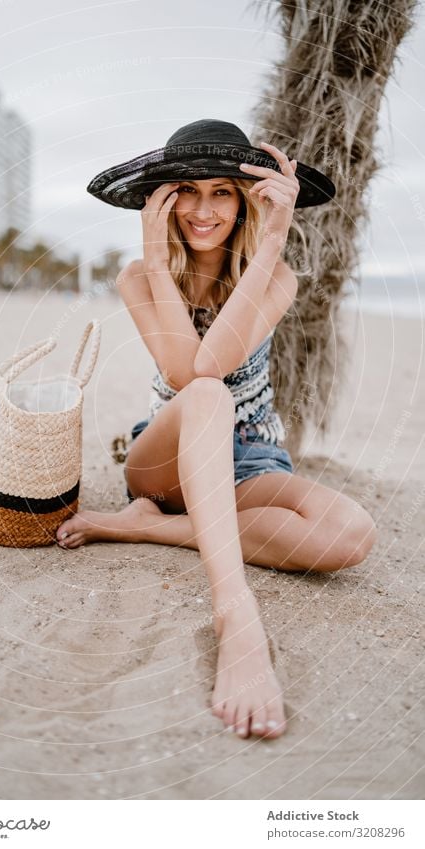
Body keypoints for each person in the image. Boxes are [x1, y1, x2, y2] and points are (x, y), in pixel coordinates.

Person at [56, 119, 377, 740]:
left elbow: (220, 356)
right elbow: (192, 372)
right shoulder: (136, 276)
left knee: (350, 537)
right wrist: (154, 257)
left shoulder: (274, 276)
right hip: (166, 458)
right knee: (205, 395)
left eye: (222, 192)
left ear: (244, 199)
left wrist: (274, 240)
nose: (204, 210)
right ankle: (238, 618)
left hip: (251, 463)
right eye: (188, 191)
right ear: (165, 200)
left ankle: (151, 528)